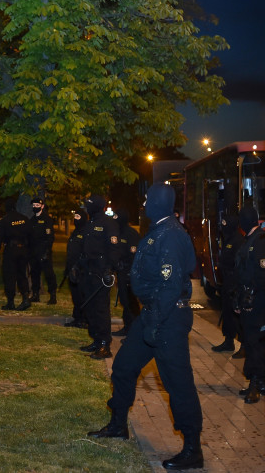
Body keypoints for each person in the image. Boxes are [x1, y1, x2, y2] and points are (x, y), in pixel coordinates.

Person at [89, 183, 203, 471]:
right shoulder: (159, 229)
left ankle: (192, 448)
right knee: (124, 366)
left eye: (149, 200)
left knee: (178, 384)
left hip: (167, 318)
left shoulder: (172, 235)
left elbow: (171, 283)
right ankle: (118, 425)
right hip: (152, 315)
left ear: (161, 204)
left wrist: (154, 322)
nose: (145, 204)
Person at [77, 194, 120, 359]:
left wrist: (110, 269)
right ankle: (96, 339)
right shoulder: (90, 223)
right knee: (90, 308)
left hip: (101, 273)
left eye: (89, 205)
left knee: (101, 309)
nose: (87, 208)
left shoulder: (109, 224)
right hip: (88, 271)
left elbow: (114, 248)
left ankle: (104, 345)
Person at [233, 206, 265, 404]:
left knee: (255, 343)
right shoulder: (250, 240)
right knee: (252, 341)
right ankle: (257, 381)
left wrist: (251, 298)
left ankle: (256, 384)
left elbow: (260, 275)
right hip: (248, 300)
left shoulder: (260, 241)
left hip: (257, 303)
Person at [212, 214, 244, 353]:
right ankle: (228, 341)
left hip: (234, 283)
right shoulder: (228, 239)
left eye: (226, 225)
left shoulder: (238, 240)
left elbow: (239, 264)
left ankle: (243, 346)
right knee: (227, 313)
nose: (223, 228)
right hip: (227, 282)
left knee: (237, 316)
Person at [0, 197, 31, 310]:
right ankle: (25, 298)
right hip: (23, 250)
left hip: (11, 250)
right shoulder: (24, 219)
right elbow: (31, 235)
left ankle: (11, 302)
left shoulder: (5, 220)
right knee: (22, 274)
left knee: (9, 275)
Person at [112, 208, 141, 336]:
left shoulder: (131, 234)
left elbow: (134, 255)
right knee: (124, 301)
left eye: (117, 217)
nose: (115, 219)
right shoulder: (117, 232)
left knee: (130, 303)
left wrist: (128, 269)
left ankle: (134, 332)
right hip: (121, 272)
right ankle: (127, 328)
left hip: (130, 273)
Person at [28, 197, 57, 304]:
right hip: (34, 252)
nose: (35, 207)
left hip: (44, 252)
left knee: (49, 274)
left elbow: (50, 237)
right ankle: (35, 294)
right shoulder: (32, 220)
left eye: (37, 205)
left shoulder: (47, 219)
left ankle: (53, 296)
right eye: (34, 205)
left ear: (42, 206)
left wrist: (46, 251)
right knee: (35, 273)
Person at [64, 210, 88, 328]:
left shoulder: (86, 232)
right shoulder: (75, 232)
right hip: (72, 268)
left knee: (82, 295)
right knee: (75, 295)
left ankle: (83, 319)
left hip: (81, 270)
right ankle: (77, 317)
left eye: (78, 216)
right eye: (75, 216)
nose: (76, 219)